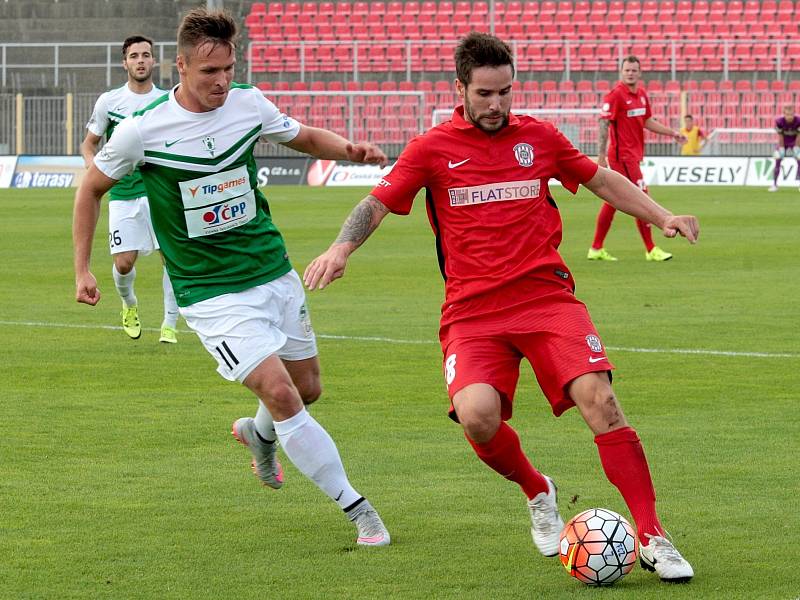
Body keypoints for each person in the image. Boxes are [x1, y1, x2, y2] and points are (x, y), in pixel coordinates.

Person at [304, 32, 696, 582]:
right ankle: (538, 489)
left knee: (601, 400)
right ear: (460, 87)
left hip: (547, 298)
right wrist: (340, 247)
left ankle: (653, 534)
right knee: (478, 417)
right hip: (472, 314)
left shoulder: (538, 136)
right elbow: (377, 203)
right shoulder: (432, 148)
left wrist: (661, 216)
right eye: (485, 93)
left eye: (505, 92)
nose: (496, 104)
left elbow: (600, 177)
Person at [73, 8, 390, 547]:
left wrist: (348, 150)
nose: (221, 81)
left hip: (270, 268)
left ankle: (257, 434)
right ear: (181, 67)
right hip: (210, 291)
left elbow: (303, 137)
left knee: (307, 389)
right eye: (208, 72)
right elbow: (90, 189)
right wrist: (82, 268)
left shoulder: (247, 102)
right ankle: (361, 513)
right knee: (281, 392)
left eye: (228, 68)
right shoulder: (141, 131)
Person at [80, 35, 181, 343]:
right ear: (124, 63)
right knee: (124, 263)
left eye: (145, 55)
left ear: (153, 61)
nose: (140, 60)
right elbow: (88, 145)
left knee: (171, 256)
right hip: (123, 193)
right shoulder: (109, 102)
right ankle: (129, 304)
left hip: (159, 191)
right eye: (134, 55)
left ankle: (170, 323)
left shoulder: (168, 100)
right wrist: (95, 172)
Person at [587, 56, 687, 262]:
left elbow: (647, 121)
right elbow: (603, 124)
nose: (630, 73)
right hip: (622, 158)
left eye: (634, 70)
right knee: (642, 198)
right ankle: (651, 249)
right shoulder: (615, 96)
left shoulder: (641, 94)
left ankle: (596, 248)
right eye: (627, 70)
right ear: (621, 72)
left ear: (639, 73)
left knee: (612, 202)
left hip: (633, 156)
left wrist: (672, 133)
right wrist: (601, 156)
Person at [768, 105, 800, 192]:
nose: (789, 117)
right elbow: (780, 135)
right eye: (787, 115)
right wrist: (781, 149)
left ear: (794, 114)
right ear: (784, 114)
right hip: (784, 142)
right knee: (777, 160)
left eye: (791, 115)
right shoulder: (779, 122)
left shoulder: (799, 121)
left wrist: (797, 148)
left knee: (799, 160)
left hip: (795, 142)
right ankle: (774, 185)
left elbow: (799, 135)